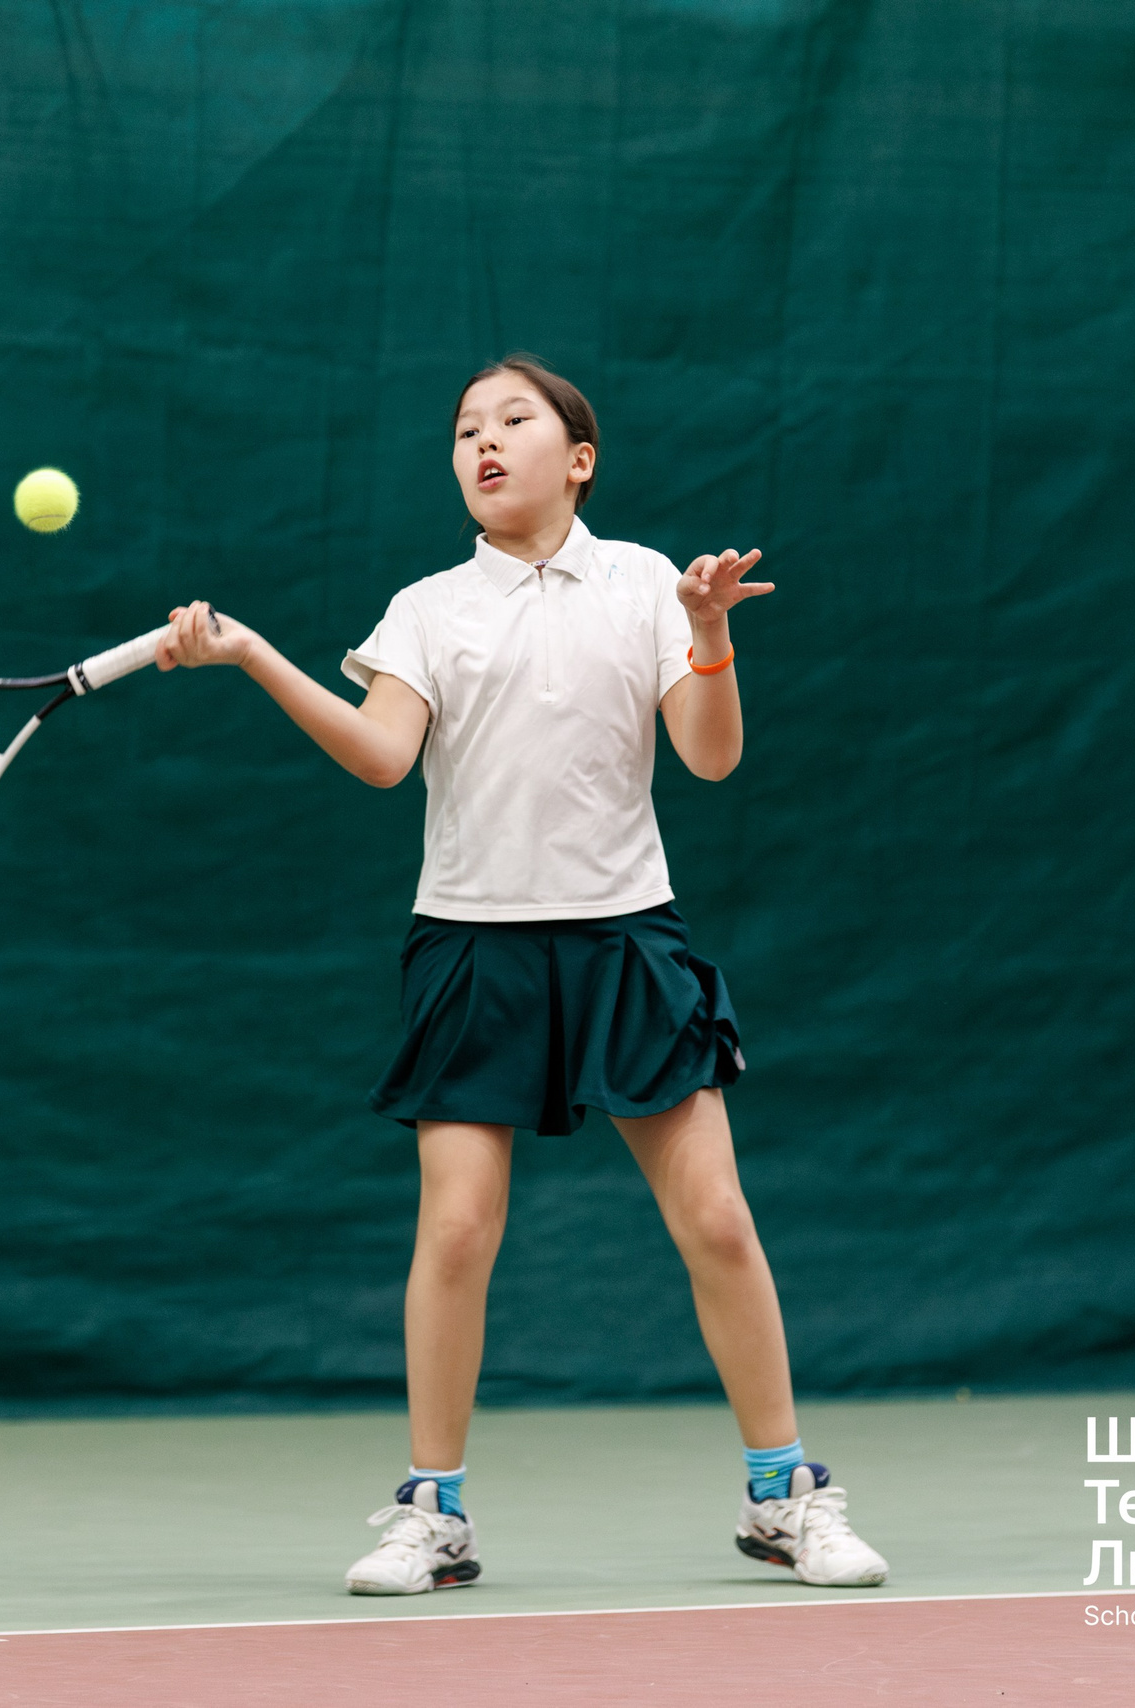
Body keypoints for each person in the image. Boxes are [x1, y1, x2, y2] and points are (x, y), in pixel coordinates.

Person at [154, 354, 889, 1595]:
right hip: (471, 942)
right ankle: (432, 1514)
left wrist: (709, 633)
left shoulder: (647, 583)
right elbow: (382, 757)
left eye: (512, 420)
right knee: (454, 1231)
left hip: (626, 938)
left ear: (579, 458)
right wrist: (256, 655)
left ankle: (784, 1496)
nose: (482, 442)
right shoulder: (427, 608)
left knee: (716, 1217)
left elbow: (709, 758)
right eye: (463, 430)